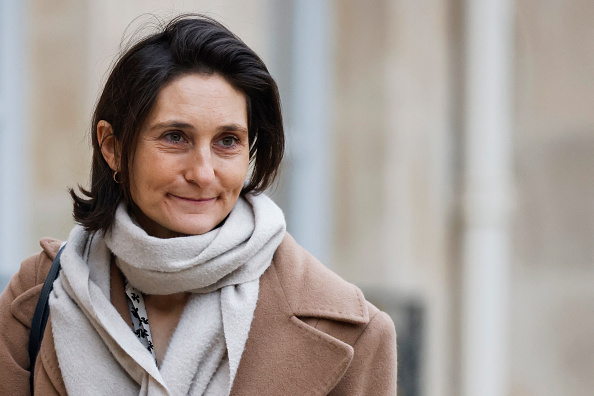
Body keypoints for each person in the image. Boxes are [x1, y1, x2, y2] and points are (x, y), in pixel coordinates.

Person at [0, 14, 397, 395]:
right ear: (113, 147)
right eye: (175, 137)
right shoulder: (35, 297)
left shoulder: (352, 333)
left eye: (227, 141)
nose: (203, 173)